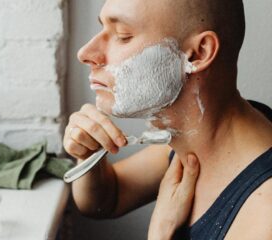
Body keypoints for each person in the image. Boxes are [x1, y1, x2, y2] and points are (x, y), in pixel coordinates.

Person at [63, 0, 272, 239]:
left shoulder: (263, 215)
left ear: (198, 53)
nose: (85, 53)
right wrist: (89, 155)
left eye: (123, 35)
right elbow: (106, 200)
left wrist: (160, 233)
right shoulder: (198, 141)